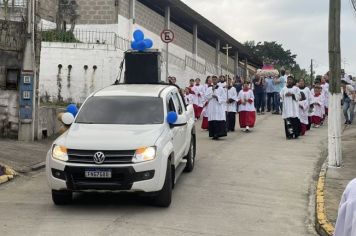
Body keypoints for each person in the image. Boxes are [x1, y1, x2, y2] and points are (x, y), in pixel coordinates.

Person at [205, 76, 227, 140]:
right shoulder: (209, 88)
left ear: (217, 80)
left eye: (215, 79)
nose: (214, 81)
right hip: (212, 106)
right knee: (213, 119)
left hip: (218, 106)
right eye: (213, 79)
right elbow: (206, 97)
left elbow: (224, 98)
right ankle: (213, 134)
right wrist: (211, 95)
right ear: (212, 80)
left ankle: (218, 134)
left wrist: (217, 97)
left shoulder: (220, 88)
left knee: (218, 119)